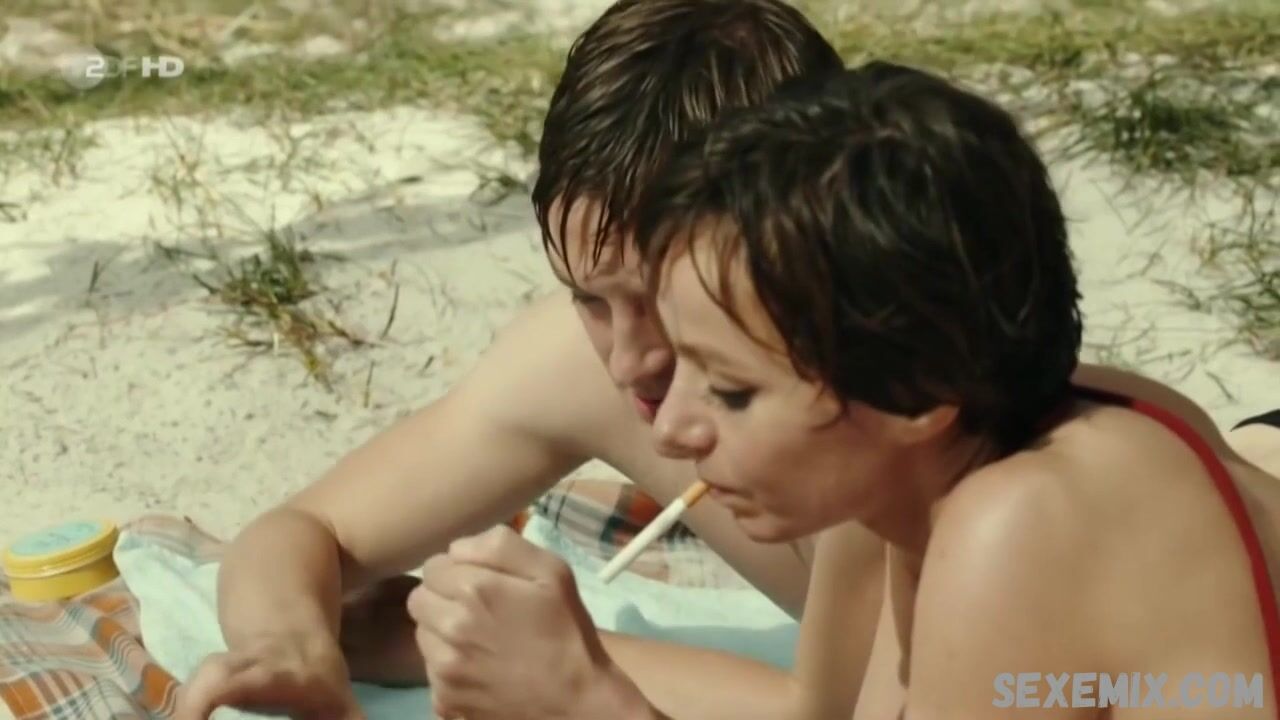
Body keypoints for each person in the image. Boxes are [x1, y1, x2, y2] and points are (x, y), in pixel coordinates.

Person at [406, 62, 1280, 719]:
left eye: (732, 392)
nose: (671, 431)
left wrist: (587, 700)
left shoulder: (1016, 525)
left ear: (916, 397)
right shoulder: (932, 476)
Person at [174, 3, 879, 720]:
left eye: (661, 301)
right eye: (589, 298)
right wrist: (290, 647)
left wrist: (545, 658)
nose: (629, 362)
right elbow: (303, 532)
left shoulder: (895, 402)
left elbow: (853, 708)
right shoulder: (586, 366)